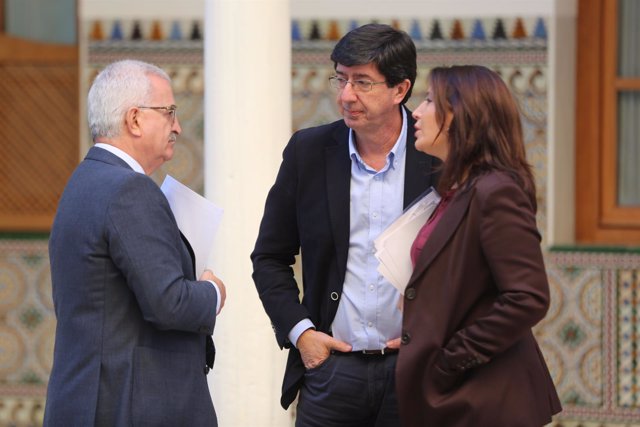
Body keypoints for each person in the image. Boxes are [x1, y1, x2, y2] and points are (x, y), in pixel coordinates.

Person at [251, 24, 440, 426]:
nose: (345, 95)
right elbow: (269, 256)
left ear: (400, 90)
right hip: (331, 372)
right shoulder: (309, 152)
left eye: (362, 82)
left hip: (415, 370)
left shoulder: (438, 156)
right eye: (341, 78)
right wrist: (301, 334)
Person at [44, 59, 226, 427]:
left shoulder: (83, 180)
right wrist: (213, 291)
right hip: (129, 406)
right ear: (135, 119)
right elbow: (169, 304)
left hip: (86, 400)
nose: (177, 125)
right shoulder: (130, 189)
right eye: (169, 112)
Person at [396, 65, 562, 427]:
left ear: (459, 114)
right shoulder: (458, 189)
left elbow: (528, 297)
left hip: (487, 398)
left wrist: (449, 361)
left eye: (427, 101)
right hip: (459, 397)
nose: (417, 113)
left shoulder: (495, 190)